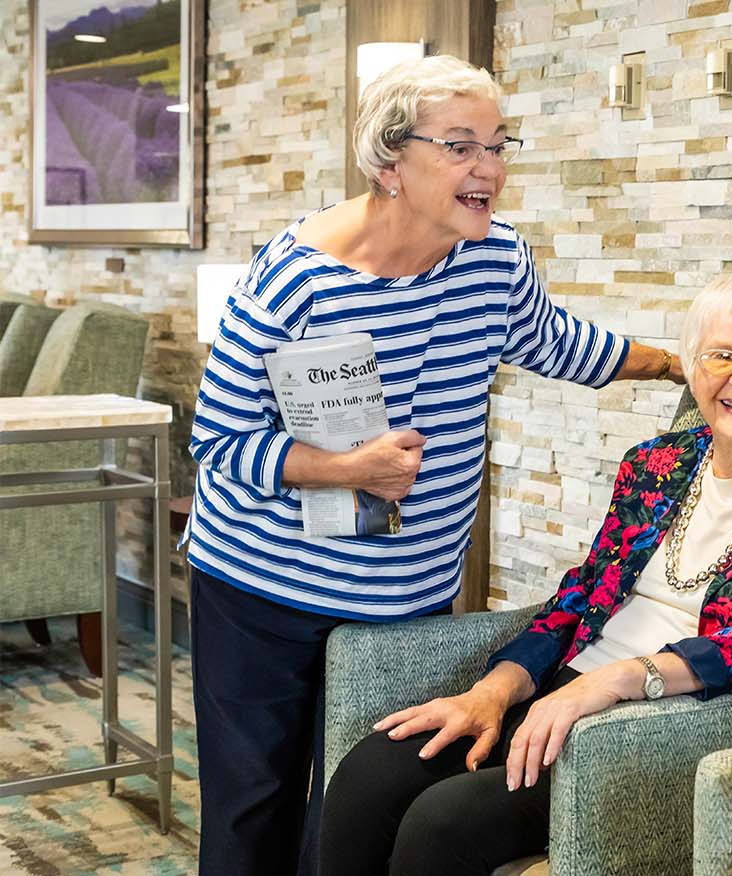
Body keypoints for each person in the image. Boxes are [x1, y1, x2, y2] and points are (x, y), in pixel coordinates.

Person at [185, 55, 685, 876]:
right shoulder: (295, 281)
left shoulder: (496, 259)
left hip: (402, 605)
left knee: (347, 821)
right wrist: (343, 469)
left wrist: (677, 363)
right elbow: (218, 442)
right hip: (261, 594)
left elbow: (559, 343)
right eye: (460, 146)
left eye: (498, 144)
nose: (488, 168)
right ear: (389, 163)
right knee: (251, 819)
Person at [320, 270, 732, 876]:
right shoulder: (657, 463)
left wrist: (613, 683)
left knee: (444, 822)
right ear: (693, 365)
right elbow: (583, 593)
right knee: (370, 774)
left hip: (658, 718)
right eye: (721, 355)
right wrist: (494, 690)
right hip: (567, 686)